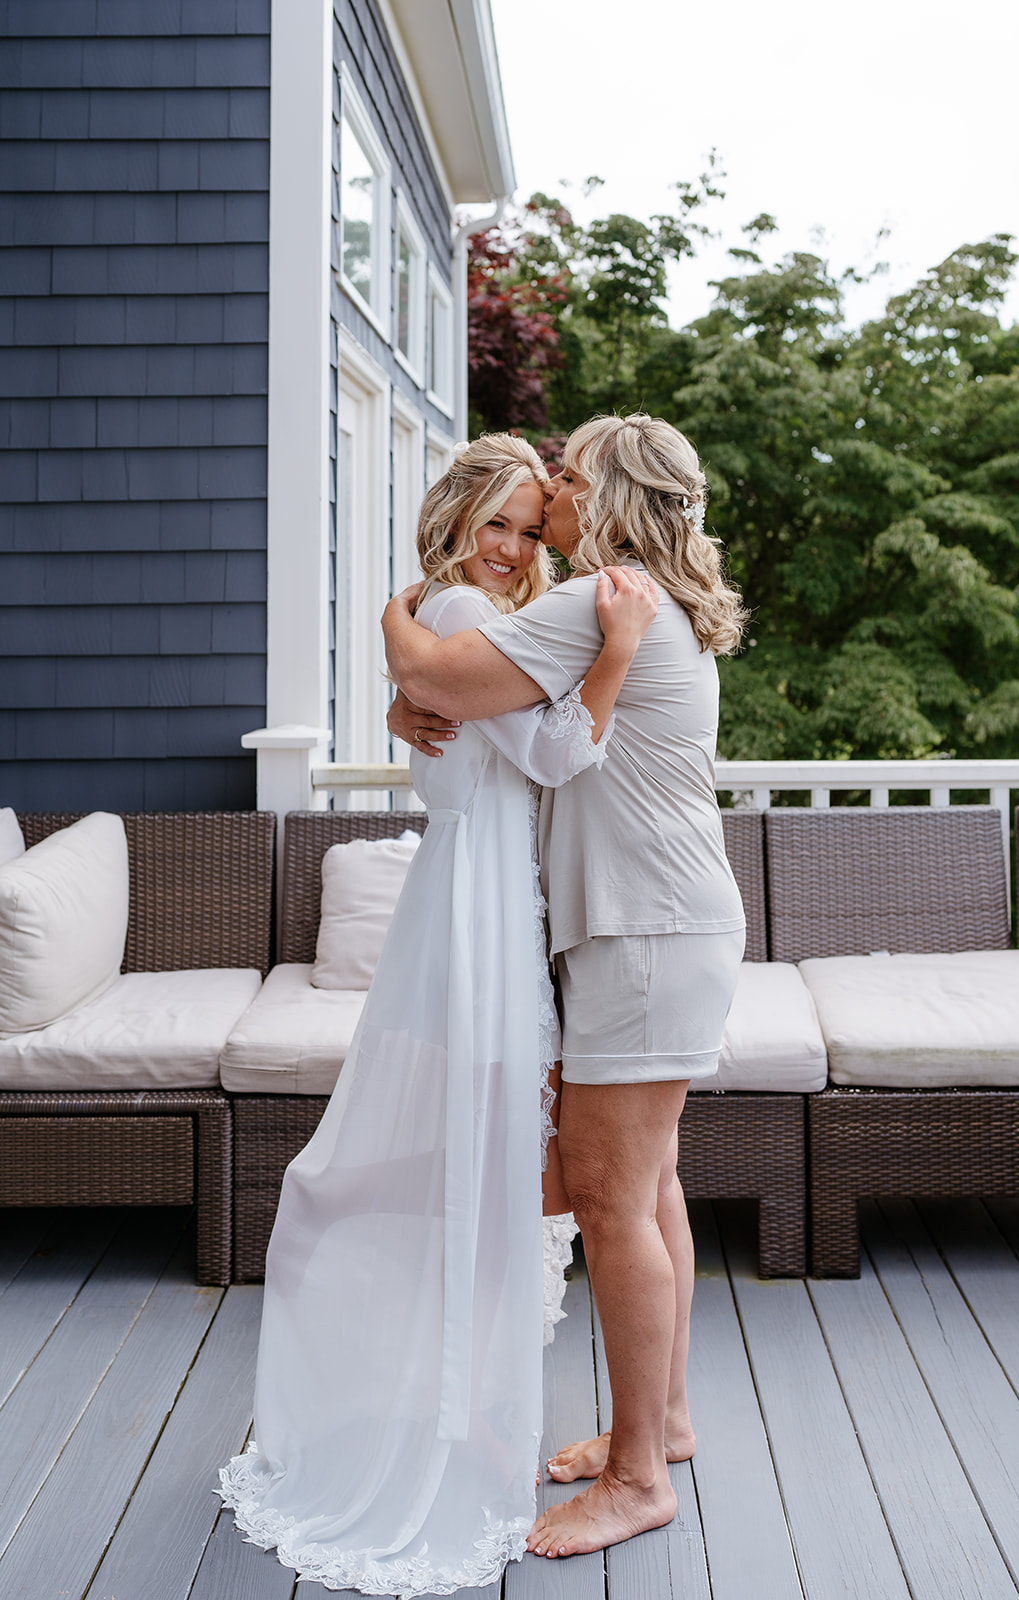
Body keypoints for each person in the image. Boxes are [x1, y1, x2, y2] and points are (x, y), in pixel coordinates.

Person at [218, 433, 657, 1596]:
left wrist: (405, 668)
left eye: (529, 526)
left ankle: (462, 1397)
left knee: (506, 1151)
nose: (514, 549)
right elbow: (562, 752)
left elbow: (461, 717)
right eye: (497, 523)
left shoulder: (445, 615)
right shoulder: (464, 605)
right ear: (458, 518)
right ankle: (464, 1414)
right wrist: (613, 651)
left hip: (471, 896)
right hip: (477, 909)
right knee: (502, 1154)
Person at [383, 414, 747, 1560]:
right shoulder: (650, 606)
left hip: (641, 932)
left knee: (604, 1198)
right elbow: (484, 720)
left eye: (569, 478)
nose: (551, 494)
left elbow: (436, 666)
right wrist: (418, 708)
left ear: (613, 495)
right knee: (647, 1190)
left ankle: (637, 1476)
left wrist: (401, 613)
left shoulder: (598, 601)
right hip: (660, 925)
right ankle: (666, 1422)